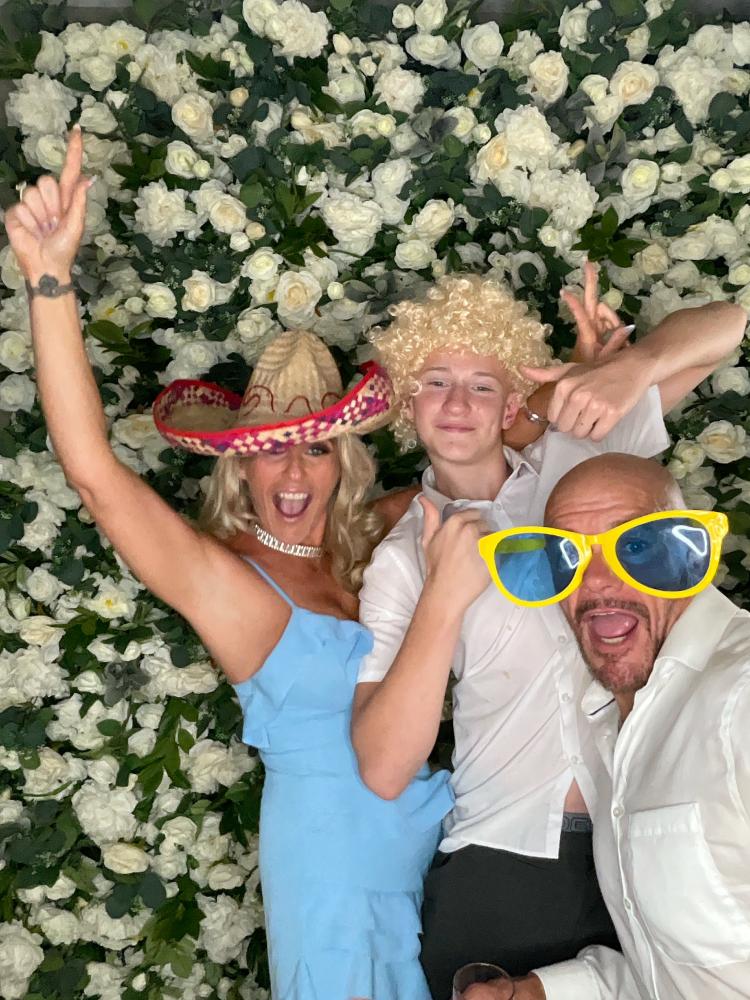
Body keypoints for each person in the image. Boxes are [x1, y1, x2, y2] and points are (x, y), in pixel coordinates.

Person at [4, 125, 460, 1000]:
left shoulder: (373, 544)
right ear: (238, 464)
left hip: (432, 845)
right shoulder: (230, 583)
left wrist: (593, 380)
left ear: (344, 462)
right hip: (334, 878)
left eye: (316, 449)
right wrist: (49, 279)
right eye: (271, 449)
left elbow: (495, 479)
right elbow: (93, 473)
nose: (293, 474)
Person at [350, 269, 747, 999]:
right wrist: (443, 597)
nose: (458, 403)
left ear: (512, 404)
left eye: (481, 384)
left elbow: (728, 323)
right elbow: (383, 766)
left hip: (651, 844)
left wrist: (632, 367)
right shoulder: (402, 559)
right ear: (408, 401)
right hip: (504, 861)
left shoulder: (585, 460)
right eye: (435, 382)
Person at [475, 453, 750, 1000]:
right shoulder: (613, 726)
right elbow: (674, 973)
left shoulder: (739, 694)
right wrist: (538, 992)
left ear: (689, 551)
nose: (596, 581)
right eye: (568, 555)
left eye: (637, 546)